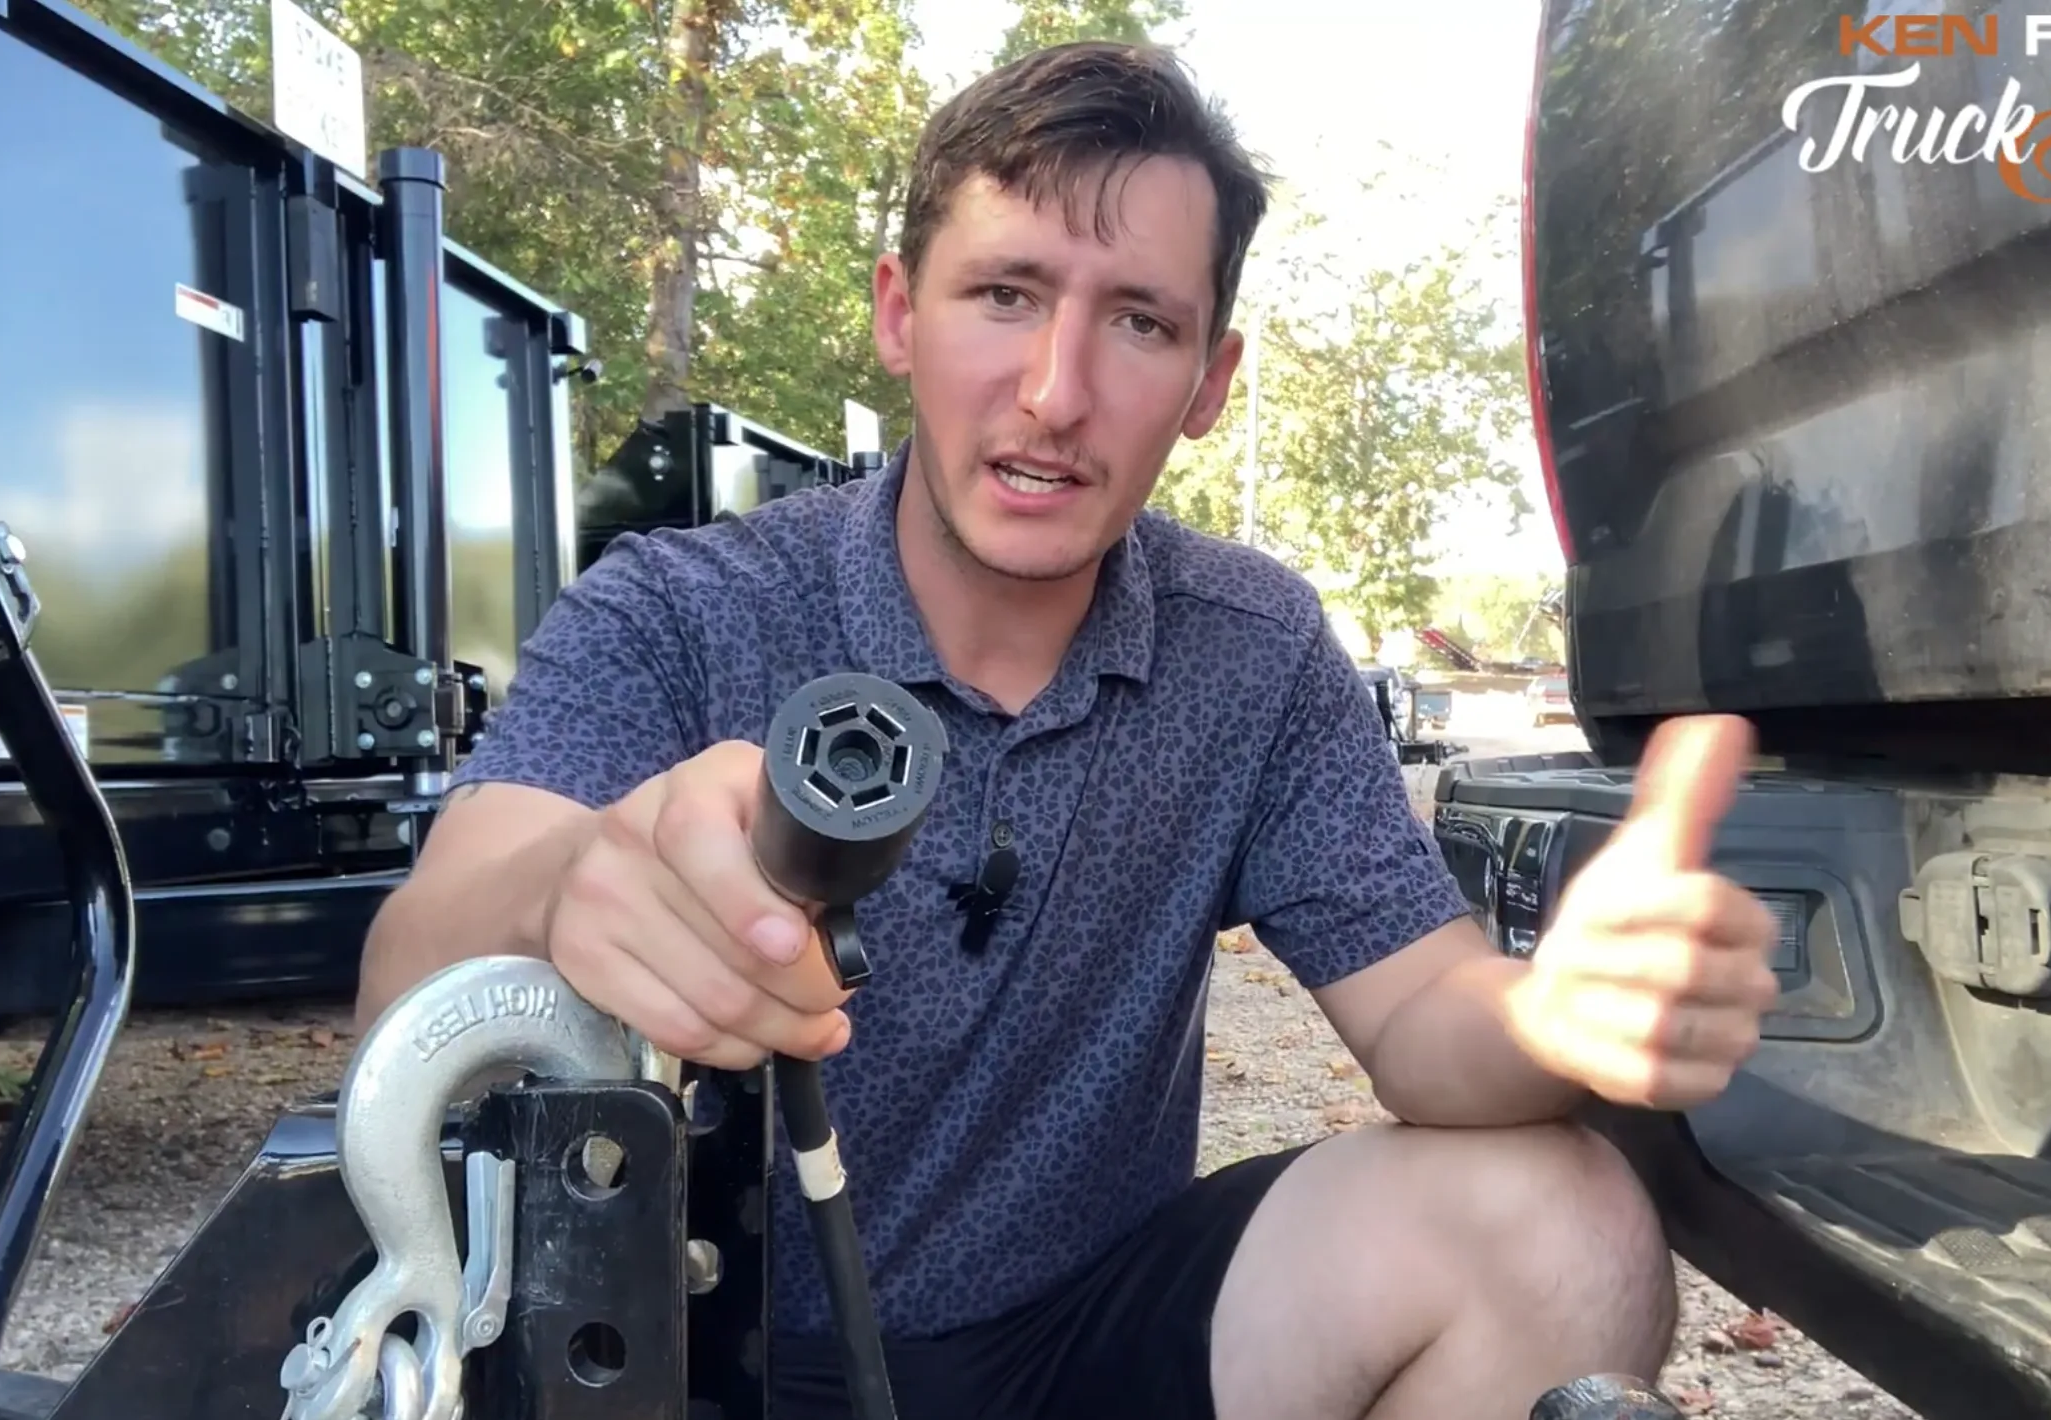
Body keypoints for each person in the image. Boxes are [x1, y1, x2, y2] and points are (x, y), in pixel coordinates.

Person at [354, 38, 1782, 1420]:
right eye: (1004, 294)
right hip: (691, 1344)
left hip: (1080, 1342)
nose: (1056, 392)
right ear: (898, 311)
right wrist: (569, 889)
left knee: (1563, 1218)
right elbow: (410, 981)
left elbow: (1419, 1017)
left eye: (1139, 321)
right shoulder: (678, 607)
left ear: (1210, 383)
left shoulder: (1255, 649)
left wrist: (1555, 1014)